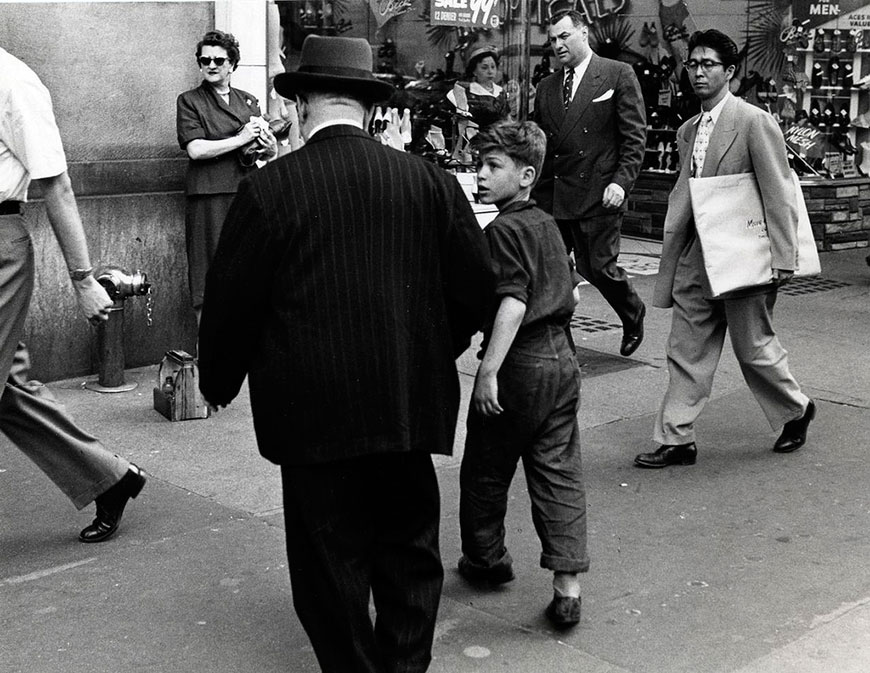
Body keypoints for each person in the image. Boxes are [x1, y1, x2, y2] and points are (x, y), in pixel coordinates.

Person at [197, 35, 492, 673]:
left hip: (311, 413)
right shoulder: (427, 183)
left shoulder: (271, 190)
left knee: (329, 564)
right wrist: (428, 348)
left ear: (302, 103)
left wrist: (217, 380)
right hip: (406, 404)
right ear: (369, 108)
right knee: (410, 552)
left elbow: (231, 304)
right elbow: (476, 289)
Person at [634, 29, 815, 469]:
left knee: (753, 347)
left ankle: (796, 409)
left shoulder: (754, 121)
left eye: (708, 64)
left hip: (743, 254)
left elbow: (779, 192)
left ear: (729, 72)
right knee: (686, 347)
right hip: (698, 256)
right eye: (692, 64)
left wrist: (783, 257)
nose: (697, 72)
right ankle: (677, 439)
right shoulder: (686, 129)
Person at [0, 45, 146, 543]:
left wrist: (84, 280)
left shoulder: (14, 83)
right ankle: (111, 477)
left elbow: (56, 184)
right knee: (9, 390)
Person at [458, 121, 588, 629]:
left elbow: (512, 302)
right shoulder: (547, 225)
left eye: (493, 167)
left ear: (527, 174)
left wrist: (488, 372)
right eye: (479, 165)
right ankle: (568, 586)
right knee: (558, 471)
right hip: (562, 359)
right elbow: (574, 294)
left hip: (518, 363)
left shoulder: (503, 231)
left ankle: (487, 561)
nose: (481, 175)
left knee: (487, 468)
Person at [532, 9, 648, 357]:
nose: (558, 45)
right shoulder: (546, 87)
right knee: (553, 270)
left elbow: (634, 138)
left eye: (564, 36)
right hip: (553, 193)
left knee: (597, 268)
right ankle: (560, 341)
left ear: (584, 33)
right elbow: (540, 144)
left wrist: (621, 183)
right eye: (552, 40)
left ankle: (633, 312)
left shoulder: (616, 74)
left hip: (599, 192)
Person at [176, 30, 277, 323]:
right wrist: (241, 137)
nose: (211, 65)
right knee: (208, 275)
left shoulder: (248, 101)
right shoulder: (190, 101)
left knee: (246, 271)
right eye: (205, 59)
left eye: (219, 60)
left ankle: (240, 353)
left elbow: (256, 154)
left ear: (232, 64)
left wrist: (268, 150)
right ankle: (209, 353)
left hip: (244, 192)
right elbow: (195, 150)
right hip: (209, 196)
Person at [446, 45, 510, 130]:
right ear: (474, 71)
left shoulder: (501, 91)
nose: (490, 71)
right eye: (484, 67)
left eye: (493, 67)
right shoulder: (465, 92)